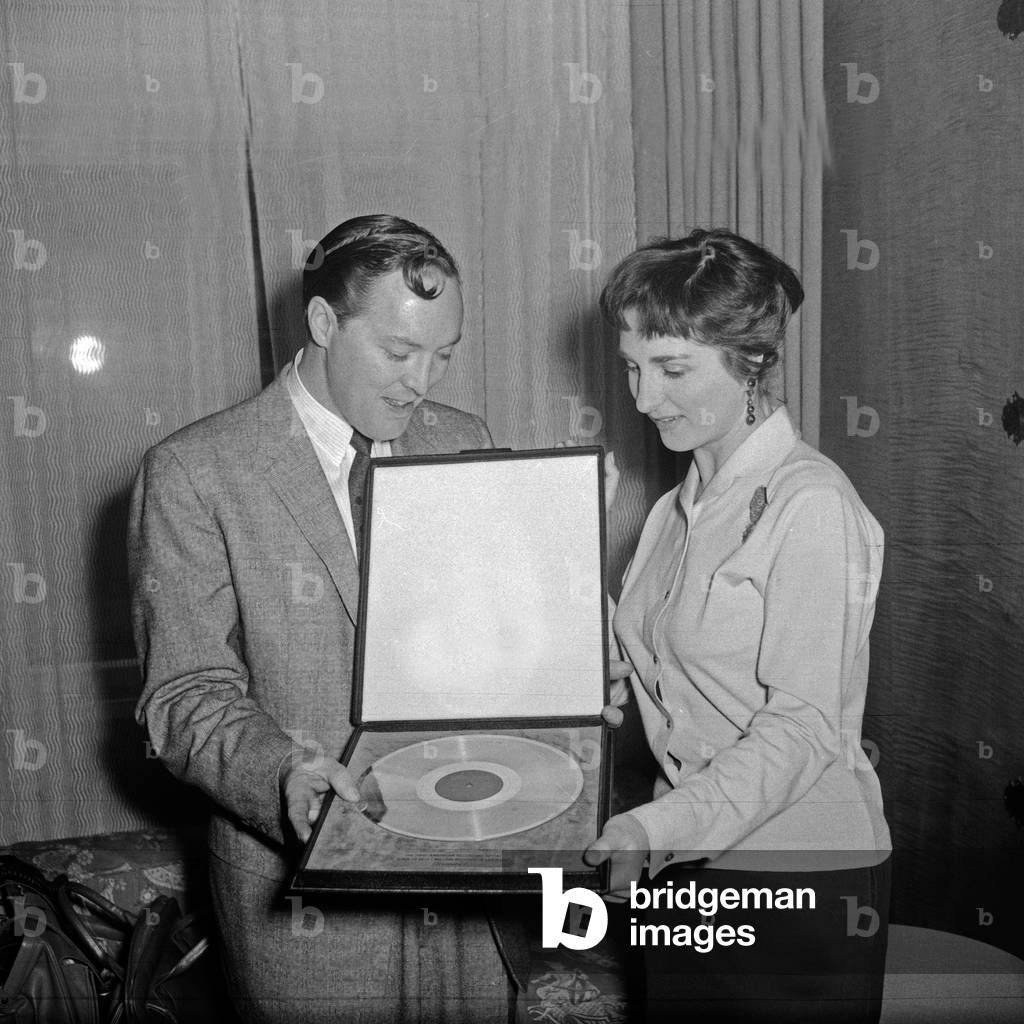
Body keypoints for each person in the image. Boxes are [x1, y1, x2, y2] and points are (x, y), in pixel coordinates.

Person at [128, 215, 524, 1023]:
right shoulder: (196, 472)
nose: (422, 382)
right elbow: (184, 695)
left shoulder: (463, 440)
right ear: (321, 323)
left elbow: (496, 637)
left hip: (463, 876)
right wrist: (284, 776)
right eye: (398, 351)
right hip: (302, 902)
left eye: (442, 353)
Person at [584, 229, 892, 1022]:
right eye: (632, 368)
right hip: (688, 860)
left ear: (750, 360)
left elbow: (799, 729)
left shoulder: (811, 506)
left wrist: (655, 827)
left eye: (673, 369)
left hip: (798, 873)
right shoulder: (672, 506)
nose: (644, 398)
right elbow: (652, 667)